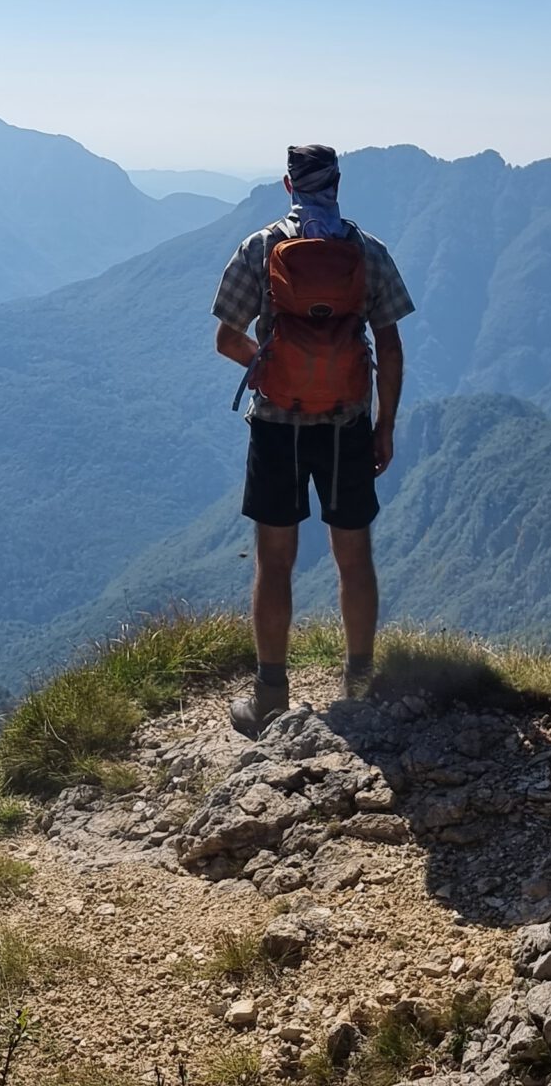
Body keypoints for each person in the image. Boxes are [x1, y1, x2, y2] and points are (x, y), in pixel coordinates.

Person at [210, 143, 415, 736]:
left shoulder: (261, 248)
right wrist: (384, 425)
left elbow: (227, 338)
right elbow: (392, 347)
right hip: (348, 425)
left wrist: (271, 368)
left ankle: (270, 695)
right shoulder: (367, 251)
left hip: (277, 425)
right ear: (338, 184)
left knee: (275, 562)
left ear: (288, 184)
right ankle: (360, 683)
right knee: (354, 558)